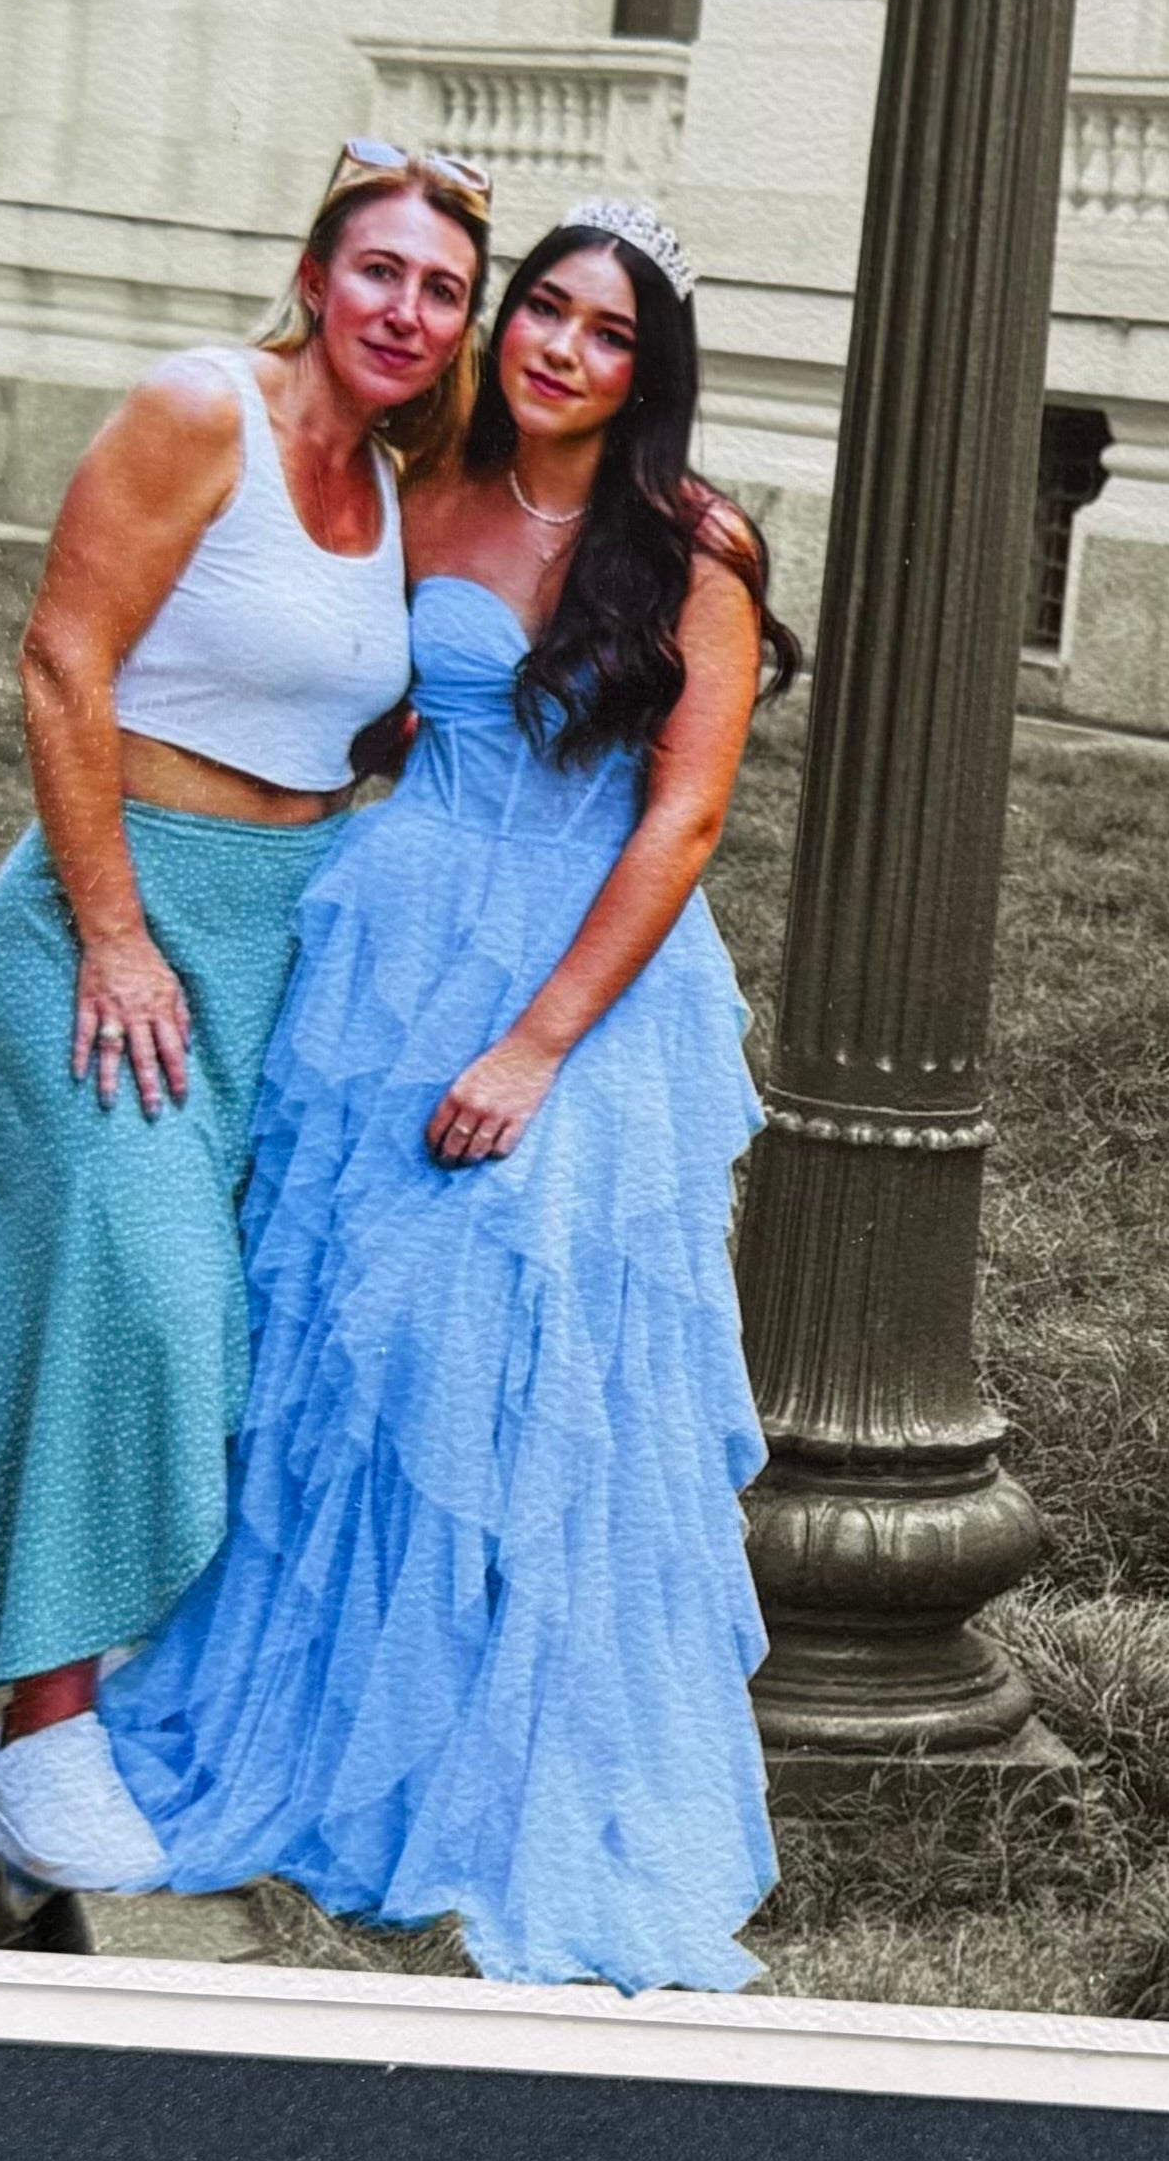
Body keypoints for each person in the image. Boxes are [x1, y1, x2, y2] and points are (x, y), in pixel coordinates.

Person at [102, 197, 801, 1987]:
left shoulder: (693, 546)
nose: (562, 347)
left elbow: (684, 820)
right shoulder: (436, 490)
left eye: (609, 331)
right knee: (350, 1339)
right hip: (394, 943)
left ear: (650, 371)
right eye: (545, 309)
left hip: (581, 984)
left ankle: (502, 1764)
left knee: (522, 1351)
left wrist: (536, 1044)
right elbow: (361, 696)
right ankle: (334, 1718)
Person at [0, 148, 491, 1892]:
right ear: (316, 274)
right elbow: (63, 660)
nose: (406, 310)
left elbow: (355, 721)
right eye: (380, 272)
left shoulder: (397, 481)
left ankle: (121, 1690)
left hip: (289, 934)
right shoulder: (202, 410)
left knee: (234, 1317)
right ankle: (41, 1740)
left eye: (441, 290)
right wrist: (115, 937)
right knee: (143, 1301)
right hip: (118, 913)